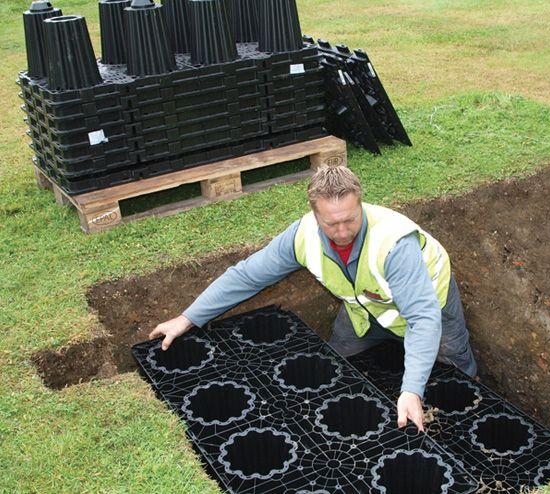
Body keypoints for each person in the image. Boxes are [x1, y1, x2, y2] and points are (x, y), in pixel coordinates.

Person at [149, 166, 477, 431]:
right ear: (315, 215)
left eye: (350, 219)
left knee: (454, 368)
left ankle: (470, 411)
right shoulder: (302, 235)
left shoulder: (393, 244)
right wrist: (187, 318)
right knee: (336, 360)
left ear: (360, 204)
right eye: (331, 223)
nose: (343, 230)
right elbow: (247, 275)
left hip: (431, 305)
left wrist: (410, 390)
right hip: (364, 306)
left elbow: (423, 319)